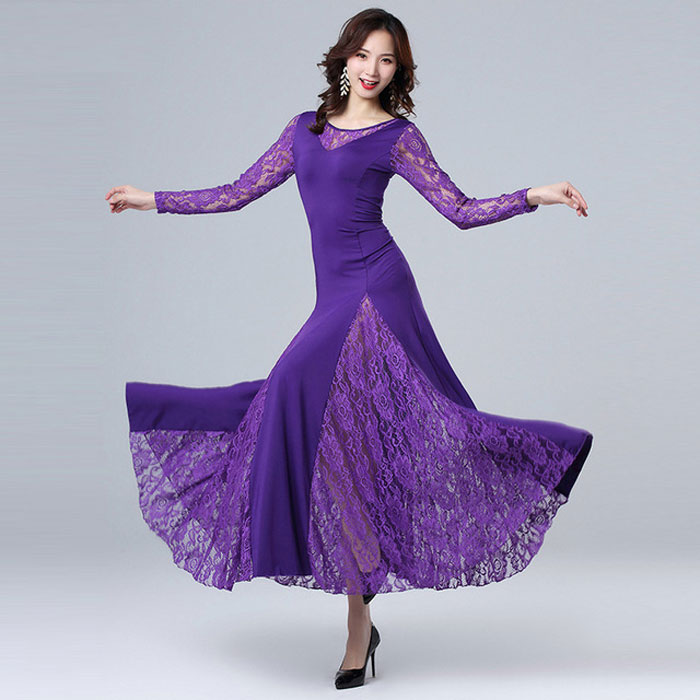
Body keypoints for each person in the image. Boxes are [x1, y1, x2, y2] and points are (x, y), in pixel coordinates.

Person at [105, 8, 592, 691]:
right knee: (334, 449)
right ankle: (361, 618)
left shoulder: (397, 137)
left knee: (315, 412)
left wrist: (535, 194)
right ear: (342, 58)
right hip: (334, 298)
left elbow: (458, 209)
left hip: (377, 294)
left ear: (398, 71)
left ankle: (363, 624)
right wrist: (150, 199)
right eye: (363, 55)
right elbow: (236, 194)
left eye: (386, 60)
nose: (372, 69)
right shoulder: (302, 132)